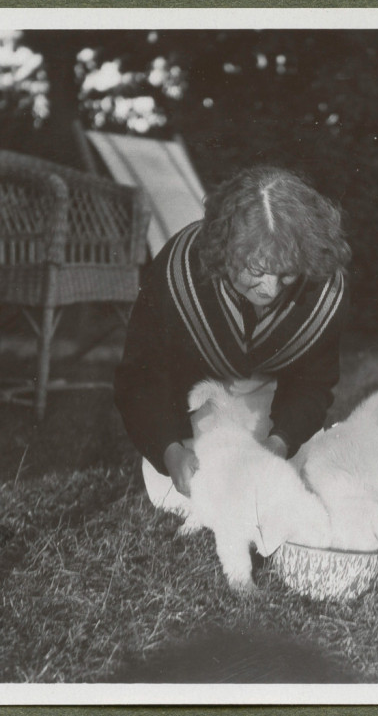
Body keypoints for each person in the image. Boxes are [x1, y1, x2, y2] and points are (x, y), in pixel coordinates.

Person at [114, 165, 351, 504]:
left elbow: (312, 383)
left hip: (272, 425)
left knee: (310, 488)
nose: (269, 288)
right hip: (191, 429)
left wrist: (279, 443)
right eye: (255, 271)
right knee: (209, 503)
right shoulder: (176, 274)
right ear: (224, 251)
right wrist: (170, 452)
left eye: (285, 274)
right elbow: (141, 378)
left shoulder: (322, 287)